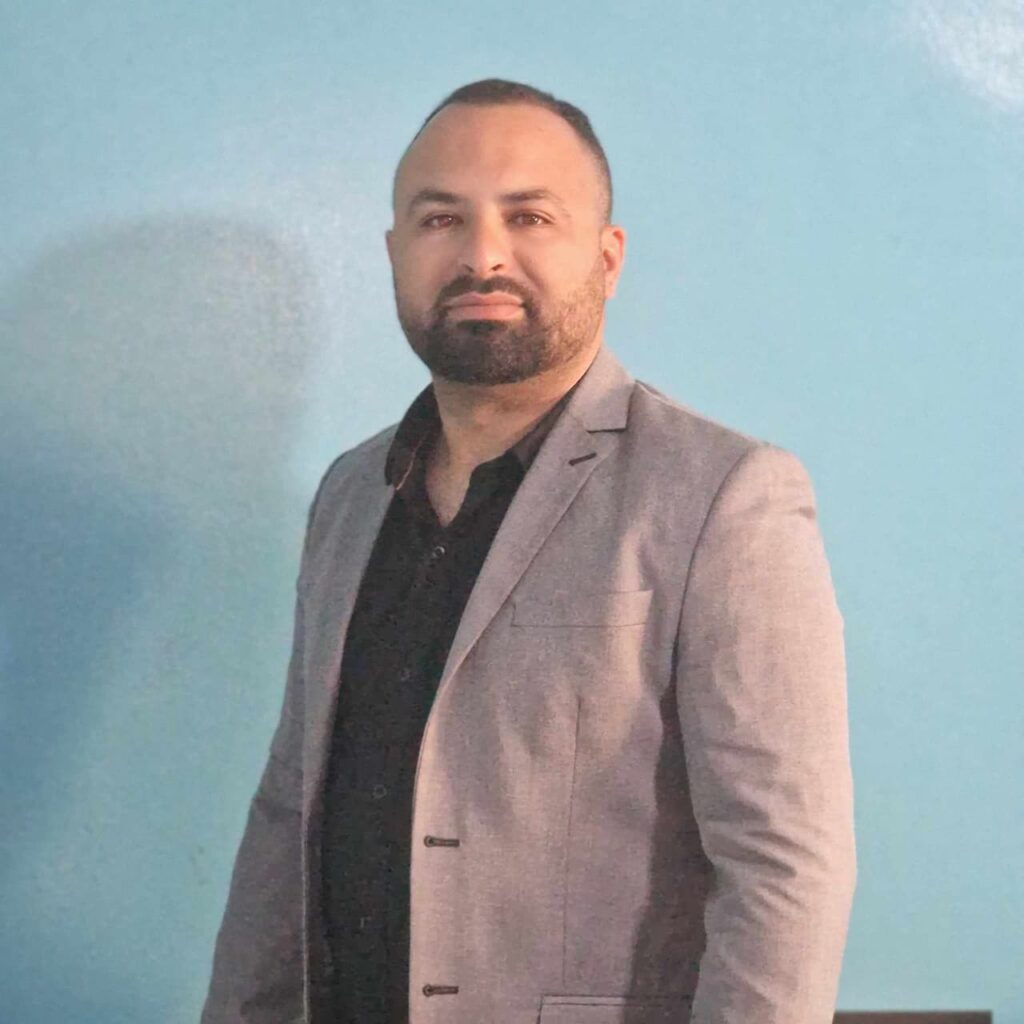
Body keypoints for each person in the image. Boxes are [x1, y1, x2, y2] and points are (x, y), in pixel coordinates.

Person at [200, 78, 856, 1024]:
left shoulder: (725, 496)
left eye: (529, 216)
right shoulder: (350, 495)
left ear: (608, 256)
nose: (483, 255)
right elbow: (289, 811)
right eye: (441, 219)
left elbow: (784, 865)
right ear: (394, 253)